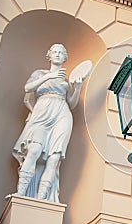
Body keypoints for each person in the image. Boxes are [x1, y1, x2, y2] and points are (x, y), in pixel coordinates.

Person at [12, 44, 83, 202]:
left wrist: (77, 88)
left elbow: (71, 103)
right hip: (42, 113)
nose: (57, 54)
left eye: (61, 52)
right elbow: (27, 88)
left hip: (62, 114)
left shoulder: (65, 81)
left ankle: (42, 200)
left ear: (65, 57)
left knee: (54, 158)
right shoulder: (39, 73)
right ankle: (21, 194)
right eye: (55, 52)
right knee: (34, 150)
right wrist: (49, 77)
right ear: (49, 56)